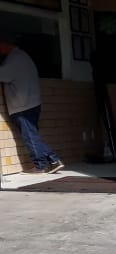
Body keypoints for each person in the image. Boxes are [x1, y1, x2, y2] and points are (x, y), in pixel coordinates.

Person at [0, 35, 63, 174]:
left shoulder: (14, 59)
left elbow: (3, 75)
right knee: (33, 135)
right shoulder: (22, 56)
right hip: (31, 102)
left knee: (30, 136)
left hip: (23, 105)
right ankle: (52, 161)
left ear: (5, 44)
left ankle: (43, 164)